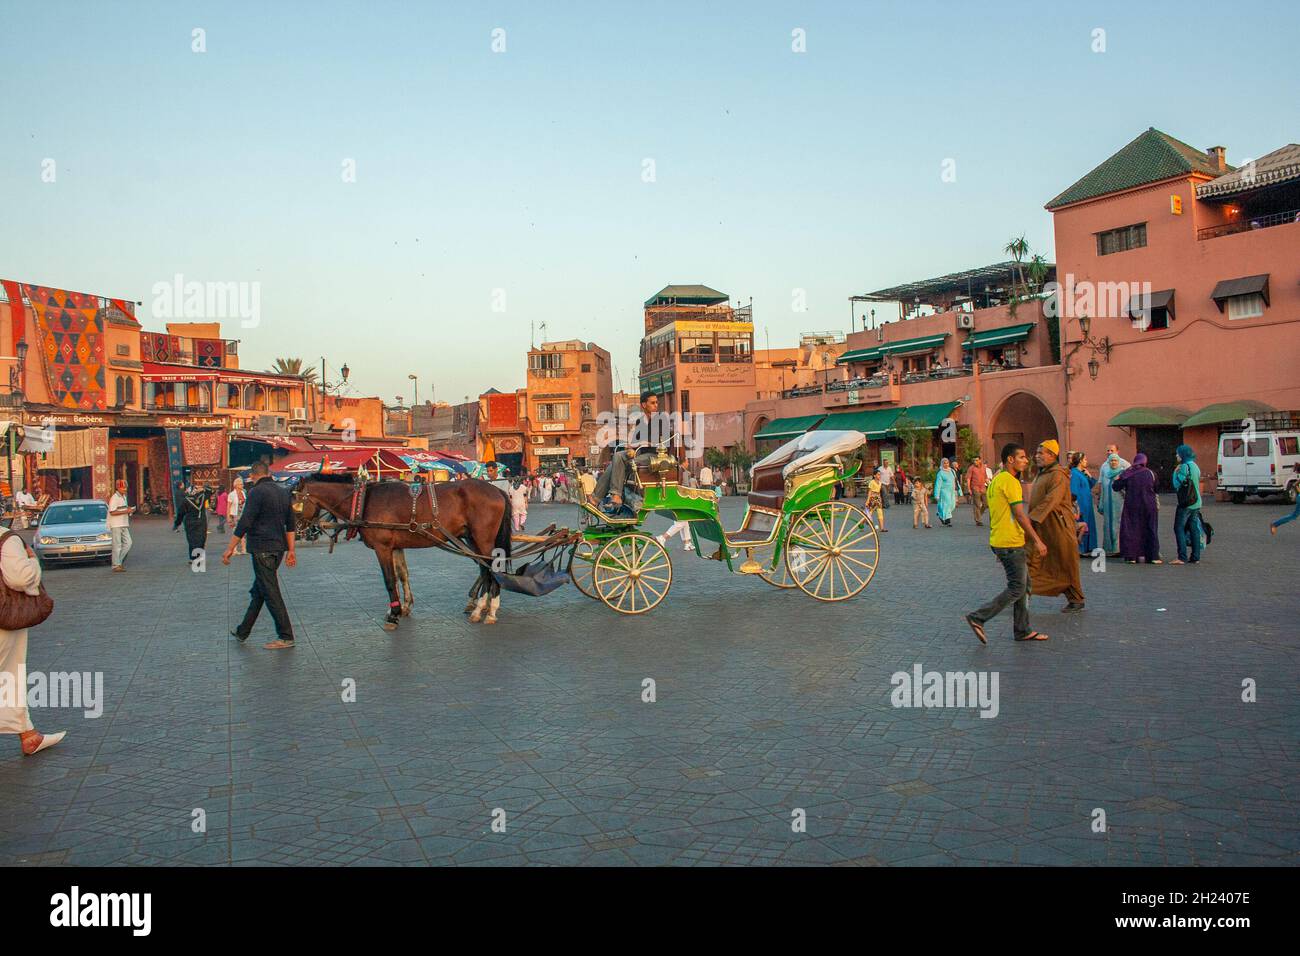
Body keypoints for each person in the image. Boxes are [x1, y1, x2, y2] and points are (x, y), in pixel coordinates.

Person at [965, 443, 1049, 643]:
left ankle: (1022, 629)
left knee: (1025, 585)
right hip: (1010, 542)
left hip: (1001, 539)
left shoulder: (996, 480)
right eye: (1021, 457)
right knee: (1017, 587)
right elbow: (1019, 514)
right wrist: (1037, 540)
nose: (1026, 460)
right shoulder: (1010, 482)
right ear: (1010, 459)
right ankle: (979, 617)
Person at [0, 531, 65, 755]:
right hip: (4, 624)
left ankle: (28, 735)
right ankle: (28, 735)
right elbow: (19, 578)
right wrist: (32, 562)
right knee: (9, 677)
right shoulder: (6, 539)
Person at [222, 461, 296, 649]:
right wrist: (291, 550)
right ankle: (243, 631)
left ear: (254, 476)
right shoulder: (283, 491)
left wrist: (230, 548)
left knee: (270, 592)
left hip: (262, 547)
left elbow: (245, 522)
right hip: (278, 549)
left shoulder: (256, 492)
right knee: (260, 591)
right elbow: (291, 524)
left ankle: (286, 635)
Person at [1026, 440, 1085, 612]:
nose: (1037, 456)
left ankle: (1076, 599)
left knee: (1065, 563)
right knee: (1036, 560)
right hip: (1044, 526)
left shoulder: (1057, 475)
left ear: (1052, 455)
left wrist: (1031, 519)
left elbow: (1052, 499)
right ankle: (1022, 592)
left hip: (1059, 527)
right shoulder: (1045, 473)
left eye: (1040, 453)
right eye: (1036, 453)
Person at [1112, 453, 1161, 564]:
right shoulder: (1151, 473)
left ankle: (1132, 556)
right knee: (1150, 529)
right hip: (1149, 505)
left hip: (1132, 505)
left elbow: (1116, 487)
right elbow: (1157, 488)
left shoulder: (1128, 473)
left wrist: (1117, 479)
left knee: (1132, 530)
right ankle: (1153, 556)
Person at [1170, 444, 1204, 565]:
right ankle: (1196, 556)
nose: (1176, 455)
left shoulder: (1184, 467)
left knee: (1178, 527)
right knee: (1194, 528)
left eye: (1178, 453)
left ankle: (1182, 556)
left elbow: (1176, 484)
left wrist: (1175, 472)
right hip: (1196, 501)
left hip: (1186, 503)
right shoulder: (1195, 466)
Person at [1098, 450, 1129, 556]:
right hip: (1107, 504)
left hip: (1119, 504)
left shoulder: (1123, 473)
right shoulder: (1106, 473)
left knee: (1118, 524)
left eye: (1115, 460)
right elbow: (1102, 488)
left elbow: (1127, 490)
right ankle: (1109, 549)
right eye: (1111, 461)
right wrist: (1100, 503)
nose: (1113, 463)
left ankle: (1119, 548)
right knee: (1107, 525)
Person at [1069, 452, 1098, 556]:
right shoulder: (1075, 473)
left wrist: (1089, 475)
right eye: (1085, 459)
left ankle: (1088, 548)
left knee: (1088, 525)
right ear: (1080, 461)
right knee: (1082, 525)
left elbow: (1091, 485)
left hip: (1087, 504)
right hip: (1081, 505)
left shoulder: (1081, 473)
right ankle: (1080, 548)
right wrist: (1076, 508)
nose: (1086, 461)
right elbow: (1073, 492)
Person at [173, 483, 209, 563]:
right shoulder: (202, 498)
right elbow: (210, 490)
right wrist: (204, 487)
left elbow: (180, 514)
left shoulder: (186, 500)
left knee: (191, 540)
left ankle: (193, 558)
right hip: (201, 522)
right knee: (201, 539)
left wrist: (177, 524)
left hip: (190, 522)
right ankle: (198, 557)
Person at [107, 478, 134, 572]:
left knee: (128, 543)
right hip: (116, 524)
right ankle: (116, 565)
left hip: (124, 523)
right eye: (123, 488)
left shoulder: (124, 497)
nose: (125, 489)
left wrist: (129, 510)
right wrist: (126, 511)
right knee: (117, 545)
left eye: (126, 488)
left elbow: (123, 509)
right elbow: (112, 512)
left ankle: (118, 562)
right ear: (118, 488)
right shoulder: (114, 498)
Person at [964, 456, 990, 527]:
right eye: (974, 460)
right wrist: (969, 489)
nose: (975, 462)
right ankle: (978, 520)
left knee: (986, 504)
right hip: (975, 488)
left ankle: (978, 515)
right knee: (977, 504)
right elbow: (968, 479)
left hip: (983, 488)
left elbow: (986, 478)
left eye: (976, 460)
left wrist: (990, 485)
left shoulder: (983, 467)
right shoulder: (971, 468)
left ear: (980, 460)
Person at [933, 459, 957, 526]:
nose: (946, 464)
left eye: (947, 463)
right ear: (942, 464)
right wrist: (936, 495)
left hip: (952, 491)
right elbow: (938, 484)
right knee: (947, 505)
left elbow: (956, 481)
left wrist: (959, 491)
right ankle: (947, 521)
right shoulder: (940, 473)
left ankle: (940, 514)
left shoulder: (952, 471)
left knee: (952, 505)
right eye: (944, 463)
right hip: (944, 491)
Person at [227, 478, 248, 554]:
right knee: (235, 533)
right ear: (236, 485)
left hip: (242, 515)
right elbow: (228, 507)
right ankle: (234, 550)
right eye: (241, 484)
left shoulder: (243, 493)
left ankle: (243, 549)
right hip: (234, 515)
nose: (242, 485)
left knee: (243, 533)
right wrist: (228, 517)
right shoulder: (231, 494)